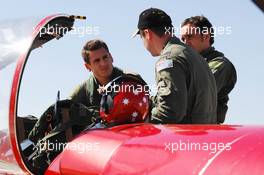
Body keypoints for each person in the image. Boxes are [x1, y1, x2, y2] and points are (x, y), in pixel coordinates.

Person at [133, 8, 217, 124]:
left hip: (185, 139)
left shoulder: (169, 58)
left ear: (147, 34)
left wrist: (139, 122)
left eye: (141, 36)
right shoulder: (193, 54)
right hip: (204, 138)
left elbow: (170, 111)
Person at [181, 16, 237, 123]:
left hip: (204, 133)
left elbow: (195, 93)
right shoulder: (186, 65)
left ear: (206, 37)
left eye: (189, 36)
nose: (185, 43)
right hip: (181, 130)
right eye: (183, 39)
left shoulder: (220, 64)